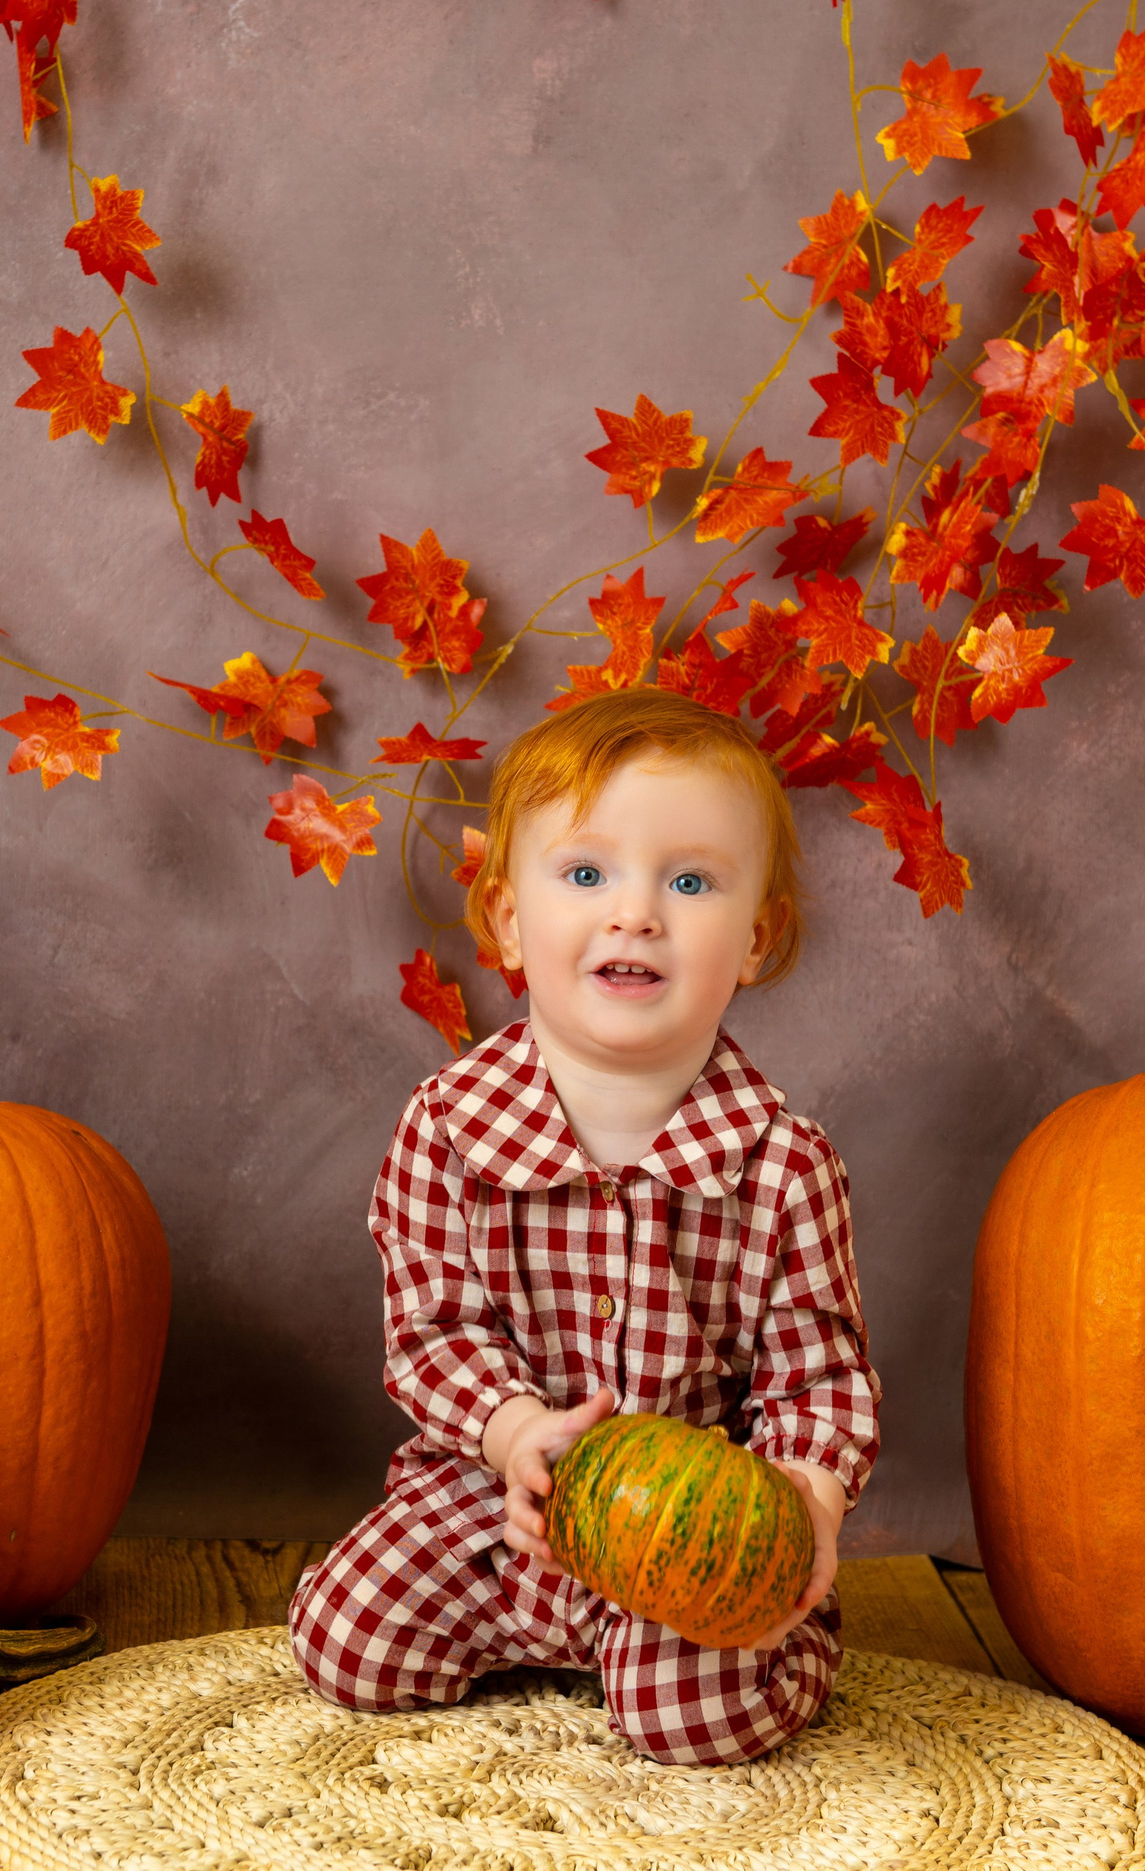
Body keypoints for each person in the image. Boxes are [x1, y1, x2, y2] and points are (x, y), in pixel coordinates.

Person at [288, 685, 880, 1767]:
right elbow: (432, 1329)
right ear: (510, 921)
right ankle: (533, 1628)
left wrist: (806, 1502)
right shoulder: (450, 1126)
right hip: (487, 1496)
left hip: (684, 1537)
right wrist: (513, 1432)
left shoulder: (784, 1161)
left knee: (694, 1723)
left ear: (756, 936)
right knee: (346, 1640)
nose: (635, 912)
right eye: (585, 872)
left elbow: (816, 1378)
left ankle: (764, 1652)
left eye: (690, 880)